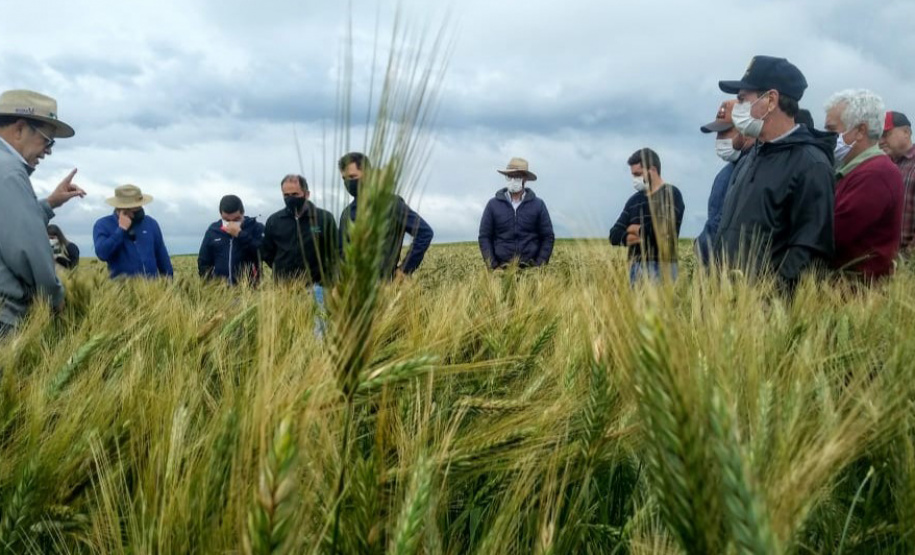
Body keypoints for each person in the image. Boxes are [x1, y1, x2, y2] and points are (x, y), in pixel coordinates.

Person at [714, 55, 836, 293]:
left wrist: (768, 300)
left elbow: (809, 250)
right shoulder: (752, 156)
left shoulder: (811, 165)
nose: (737, 107)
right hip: (728, 310)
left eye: (742, 99)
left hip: (767, 317)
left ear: (771, 100)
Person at [0, 89, 85, 338]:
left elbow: (8, 226)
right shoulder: (9, 172)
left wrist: (49, 204)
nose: (48, 151)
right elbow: (28, 250)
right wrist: (55, 297)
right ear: (19, 128)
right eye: (48, 140)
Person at [823, 90, 903, 281]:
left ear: (860, 131)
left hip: (857, 296)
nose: (826, 137)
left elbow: (833, 235)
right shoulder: (856, 169)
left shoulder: (875, 174)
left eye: (831, 130)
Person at [338, 152, 434, 279]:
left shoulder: (391, 204)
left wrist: (404, 270)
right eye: (344, 179)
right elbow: (341, 253)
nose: (348, 183)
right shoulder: (347, 213)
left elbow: (424, 233)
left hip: (384, 287)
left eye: (352, 177)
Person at [609, 148, 685, 283]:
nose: (635, 179)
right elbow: (614, 236)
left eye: (638, 174)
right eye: (633, 175)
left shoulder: (671, 194)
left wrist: (633, 228)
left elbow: (661, 231)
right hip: (635, 269)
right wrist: (645, 234)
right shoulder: (633, 201)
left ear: (653, 170)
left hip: (663, 267)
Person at [696, 100, 752, 266]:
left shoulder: (752, 170)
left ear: (746, 130)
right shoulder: (724, 174)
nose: (719, 139)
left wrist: (700, 246)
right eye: (717, 133)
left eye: (725, 131)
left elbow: (719, 227)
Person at [478, 157, 555, 269]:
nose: (513, 180)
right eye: (510, 176)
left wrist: (538, 266)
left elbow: (548, 237)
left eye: (517, 176)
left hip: (530, 271)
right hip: (500, 271)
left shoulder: (538, 205)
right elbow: (484, 237)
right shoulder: (492, 205)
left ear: (525, 178)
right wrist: (493, 267)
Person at [261, 174, 338, 284]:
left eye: (295, 194)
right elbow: (267, 253)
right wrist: (282, 269)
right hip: (283, 287)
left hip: (318, 286)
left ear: (306, 194)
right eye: (286, 195)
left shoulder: (324, 219)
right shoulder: (274, 221)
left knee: (318, 301)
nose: (290, 198)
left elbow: (334, 251)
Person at [93, 184, 173, 279]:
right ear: (122, 209)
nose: (140, 211)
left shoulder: (151, 223)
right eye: (135, 209)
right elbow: (102, 253)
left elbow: (162, 258)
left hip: (152, 291)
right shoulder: (103, 224)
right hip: (120, 290)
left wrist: (169, 284)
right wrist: (121, 230)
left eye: (140, 206)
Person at [197, 194, 264, 285]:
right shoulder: (213, 230)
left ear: (242, 213)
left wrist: (240, 235)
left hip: (249, 290)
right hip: (220, 291)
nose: (231, 223)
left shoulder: (256, 228)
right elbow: (203, 261)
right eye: (227, 220)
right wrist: (210, 283)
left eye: (236, 219)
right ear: (221, 214)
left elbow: (263, 252)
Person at [879, 111, 915, 255]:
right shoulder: (882, 167)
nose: (881, 141)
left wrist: (906, 262)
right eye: (878, 136)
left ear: (906, 132)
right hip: (884, 260)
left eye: (886, 134)